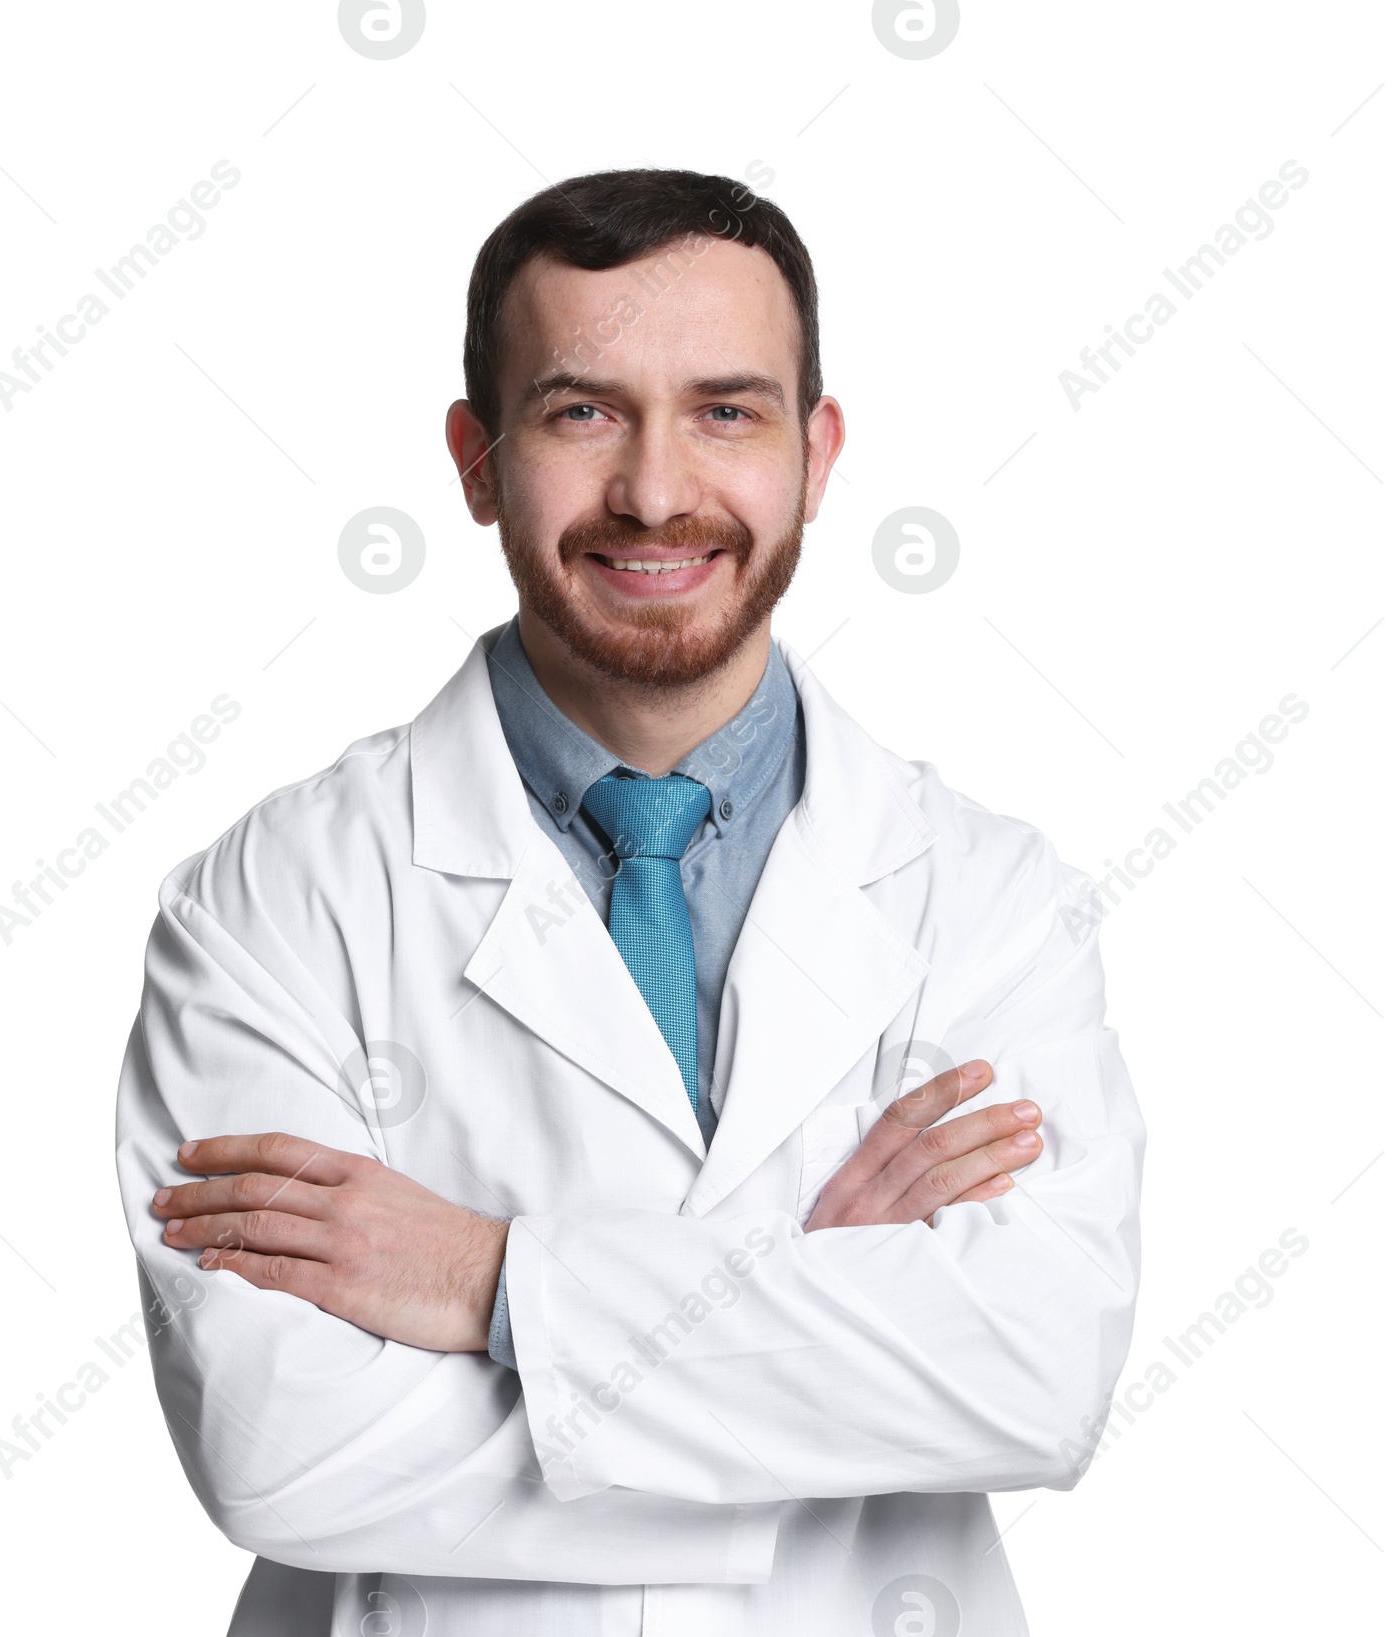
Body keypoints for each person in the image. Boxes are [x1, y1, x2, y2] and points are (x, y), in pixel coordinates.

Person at [114, 168, 1145, 1637]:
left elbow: (1033, 1379)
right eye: (581, 410)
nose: (657, 491)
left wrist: (486, 1281)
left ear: (818, 450)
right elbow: (279, 1444)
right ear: (476, 459)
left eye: (727, 409)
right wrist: (821, 1325)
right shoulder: (274, 900)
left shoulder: (989, 900)